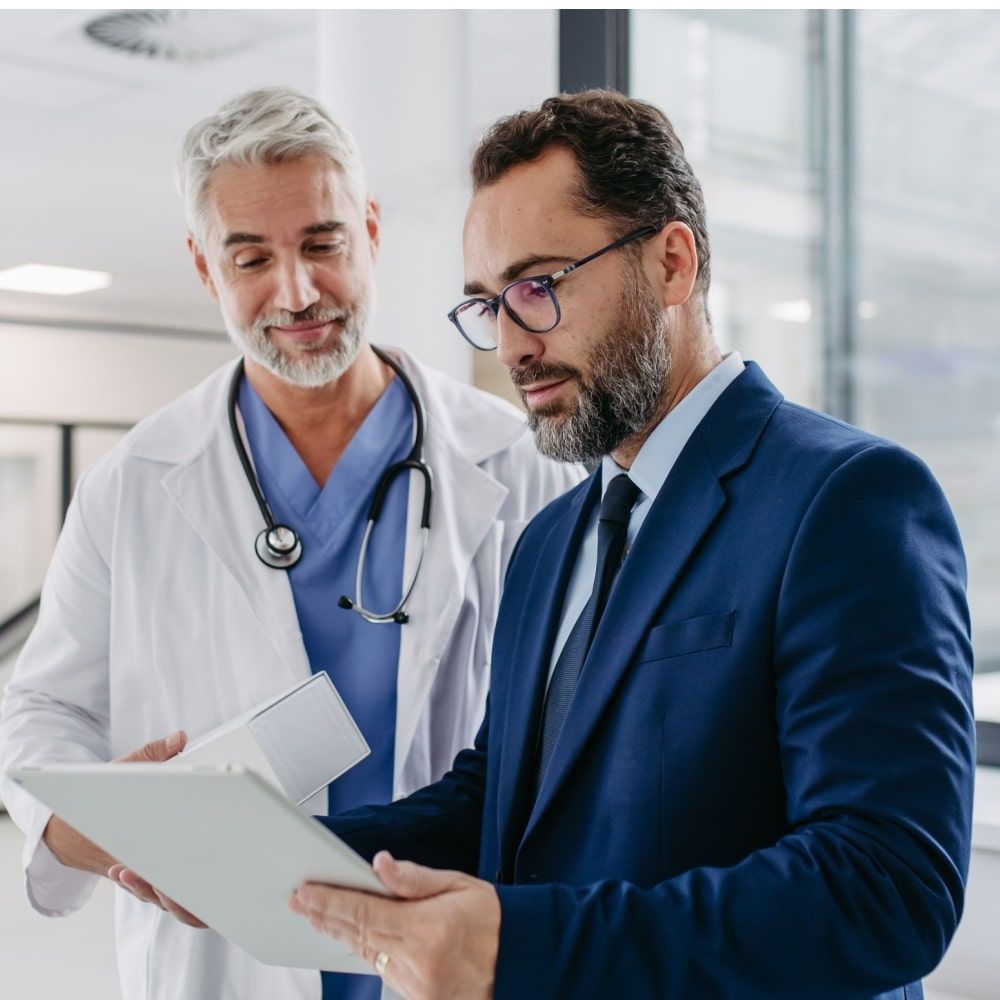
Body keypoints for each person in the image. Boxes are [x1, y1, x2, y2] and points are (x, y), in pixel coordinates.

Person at [287, 91, 976, 1000]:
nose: (512, 346)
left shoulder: (846, 499)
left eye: (538, 288)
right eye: (488, 306)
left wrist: (523, 944)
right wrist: (282, 859)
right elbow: (500, 795)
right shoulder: (545, 541)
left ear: (673, 262)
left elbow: (886, 887)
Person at [0, 87, 581, 1000]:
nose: (297, 291)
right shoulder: (136, 482)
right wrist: (84, 821)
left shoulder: (517, 465)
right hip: (221, 954)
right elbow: (43, 709)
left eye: (322, 244)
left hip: (455, 944)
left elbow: (575, 723)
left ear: (372, 230)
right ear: (204, 267)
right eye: (251, 257)